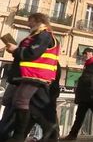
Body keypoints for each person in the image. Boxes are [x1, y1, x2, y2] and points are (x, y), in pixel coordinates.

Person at [5, 13, 60, 142]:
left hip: (34, 75)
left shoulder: (44, 35)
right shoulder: (38, 35)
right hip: (33, 75)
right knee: (36, 106)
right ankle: (50, 131)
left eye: (29, 20)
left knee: (20, 101)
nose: (27, 23)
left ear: (36, 20)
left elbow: (32, 53)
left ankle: (18, 136)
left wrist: (15, 50)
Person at [62, 47, 93, 141]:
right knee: (79, 116)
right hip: (85, 96)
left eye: (86, 53)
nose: (84, 55)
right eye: (83, 53)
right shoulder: (87, 65)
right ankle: (72, 135)